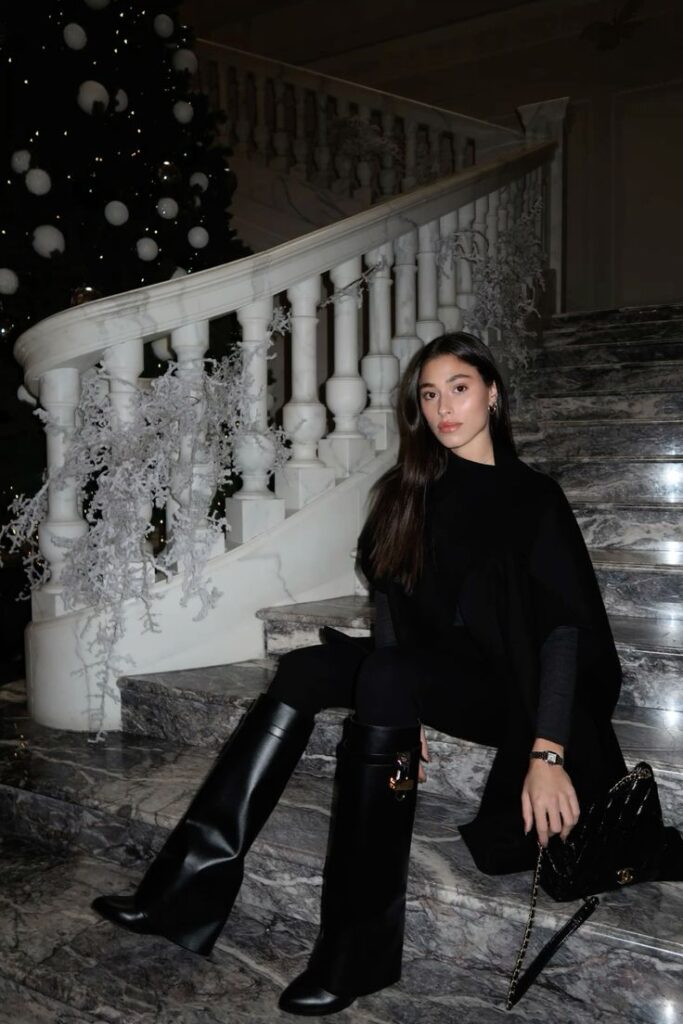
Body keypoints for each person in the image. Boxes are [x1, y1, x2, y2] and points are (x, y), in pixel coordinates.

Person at [92, 332, 682, 1016]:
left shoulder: (531, 499)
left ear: (491, 393)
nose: (442, 408)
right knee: (306, 670)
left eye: (457, 388)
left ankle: (356, 958)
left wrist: (548, 749)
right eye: (428, 395)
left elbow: (560, 634)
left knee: (383, 681)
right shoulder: (408, 492)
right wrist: (398, 712)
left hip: (513, 691)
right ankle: (178, 896)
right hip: (439, 673)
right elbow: (390, 602)